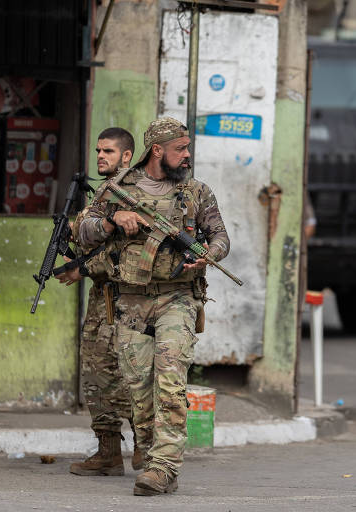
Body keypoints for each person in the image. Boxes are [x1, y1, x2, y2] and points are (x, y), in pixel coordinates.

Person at [79, 117, 230, 496]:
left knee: (169, 381)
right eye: (181, 149)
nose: (188, 155)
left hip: (178, 298)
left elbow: (221, 236)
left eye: (188, 148)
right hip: (131, 300)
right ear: (157, 150)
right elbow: (83, 231)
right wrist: (114, 219)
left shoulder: (196, 192)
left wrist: (208, 254)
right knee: (138, 387)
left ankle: (164, 466)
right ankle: (149, 454)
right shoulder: (119, 189)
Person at [54, 127, 143, 476]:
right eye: (98, 151)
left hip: (131, 300)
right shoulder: (105, 192)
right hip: (103, 296)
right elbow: (92, 236)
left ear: (126, 156)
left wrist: (85, 268)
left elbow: (130, 250)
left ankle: (145, 446)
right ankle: (108, 452)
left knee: (128, 374)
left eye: (108, 151)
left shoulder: (135, 194)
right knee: (95, 374)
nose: (100, 156)